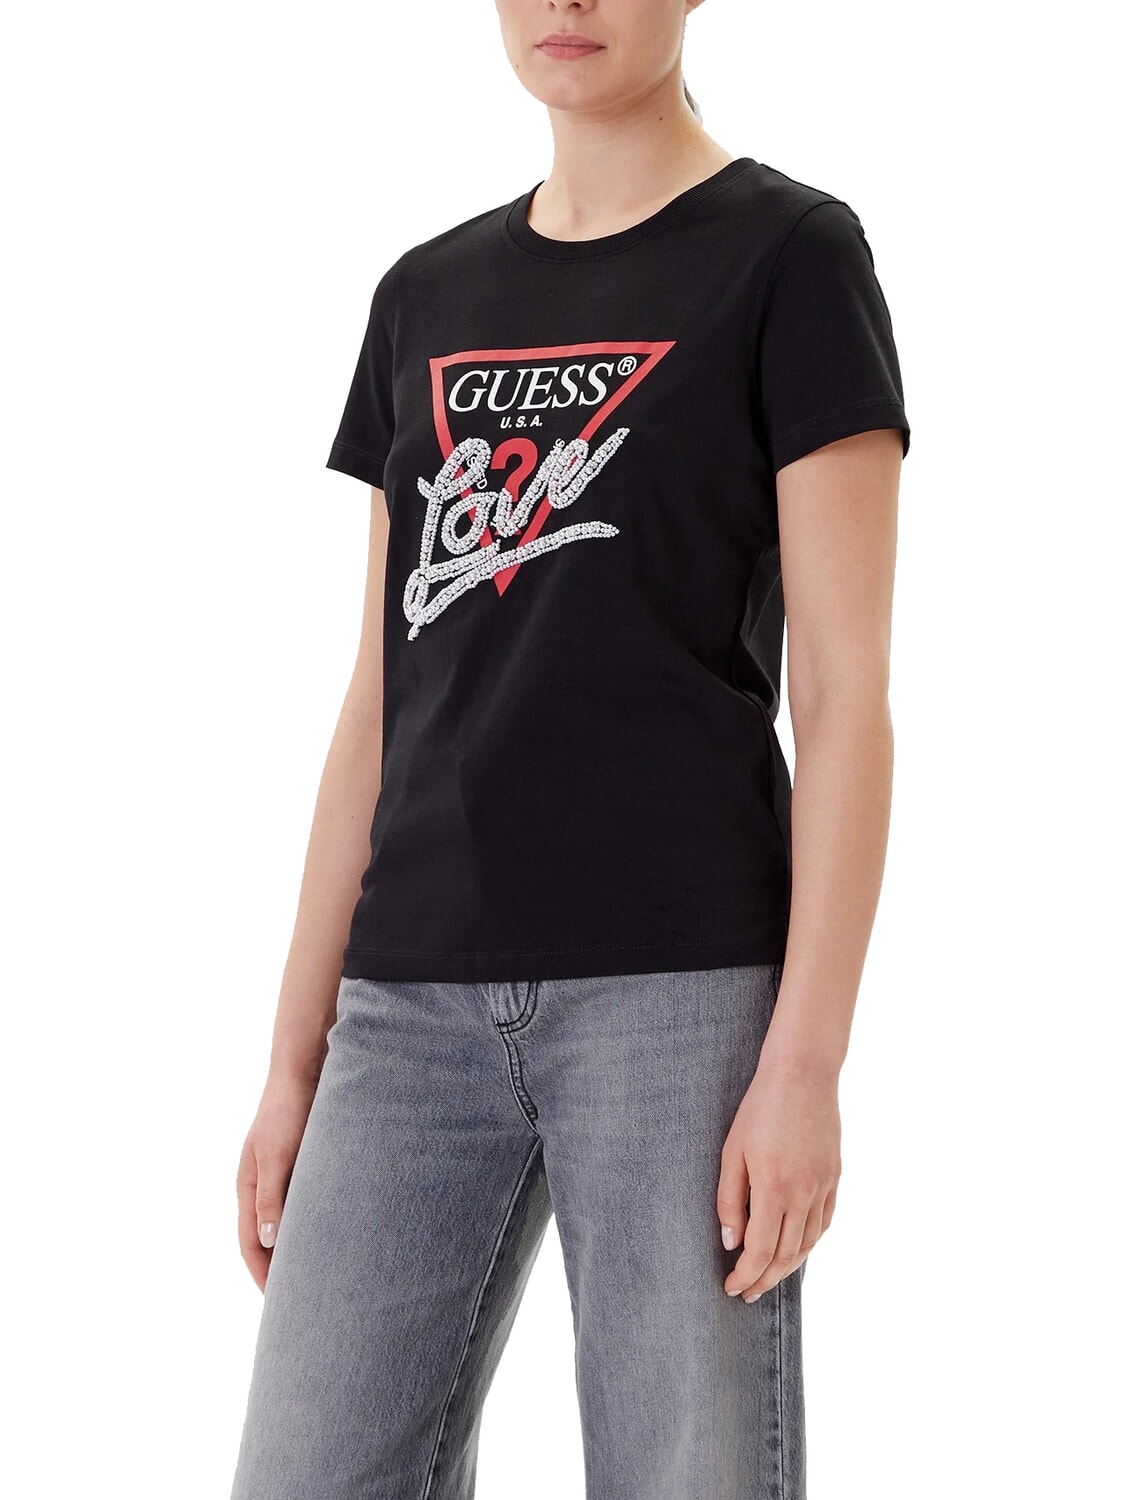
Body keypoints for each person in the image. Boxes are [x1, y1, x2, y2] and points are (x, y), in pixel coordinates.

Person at [229, 3, 910, 1496]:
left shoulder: (791, 256)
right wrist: (293, 1056)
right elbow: (378, 696)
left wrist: (806, 1062)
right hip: (406, 1001)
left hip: (678, 995)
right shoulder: (423, 293)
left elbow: (845, 694)